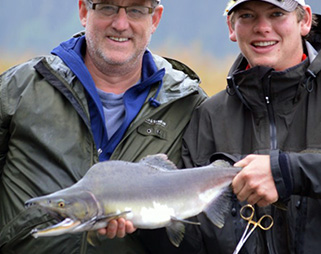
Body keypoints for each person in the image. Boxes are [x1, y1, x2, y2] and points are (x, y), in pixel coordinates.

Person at [0, 0, 207, 253]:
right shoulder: (19, 87)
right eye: (107, 7)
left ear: (154, 19)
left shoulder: (189, 104)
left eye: (136, 10)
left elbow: (204, 233)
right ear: (84, 11)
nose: (120, 24)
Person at [181, 0, 321, 253]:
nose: (263, 27)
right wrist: (141, 221)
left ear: (305, 21)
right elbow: (190, 240)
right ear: (231, 27)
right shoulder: (208, 116)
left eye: (277, 13)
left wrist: (288, 172)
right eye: (247, 15)